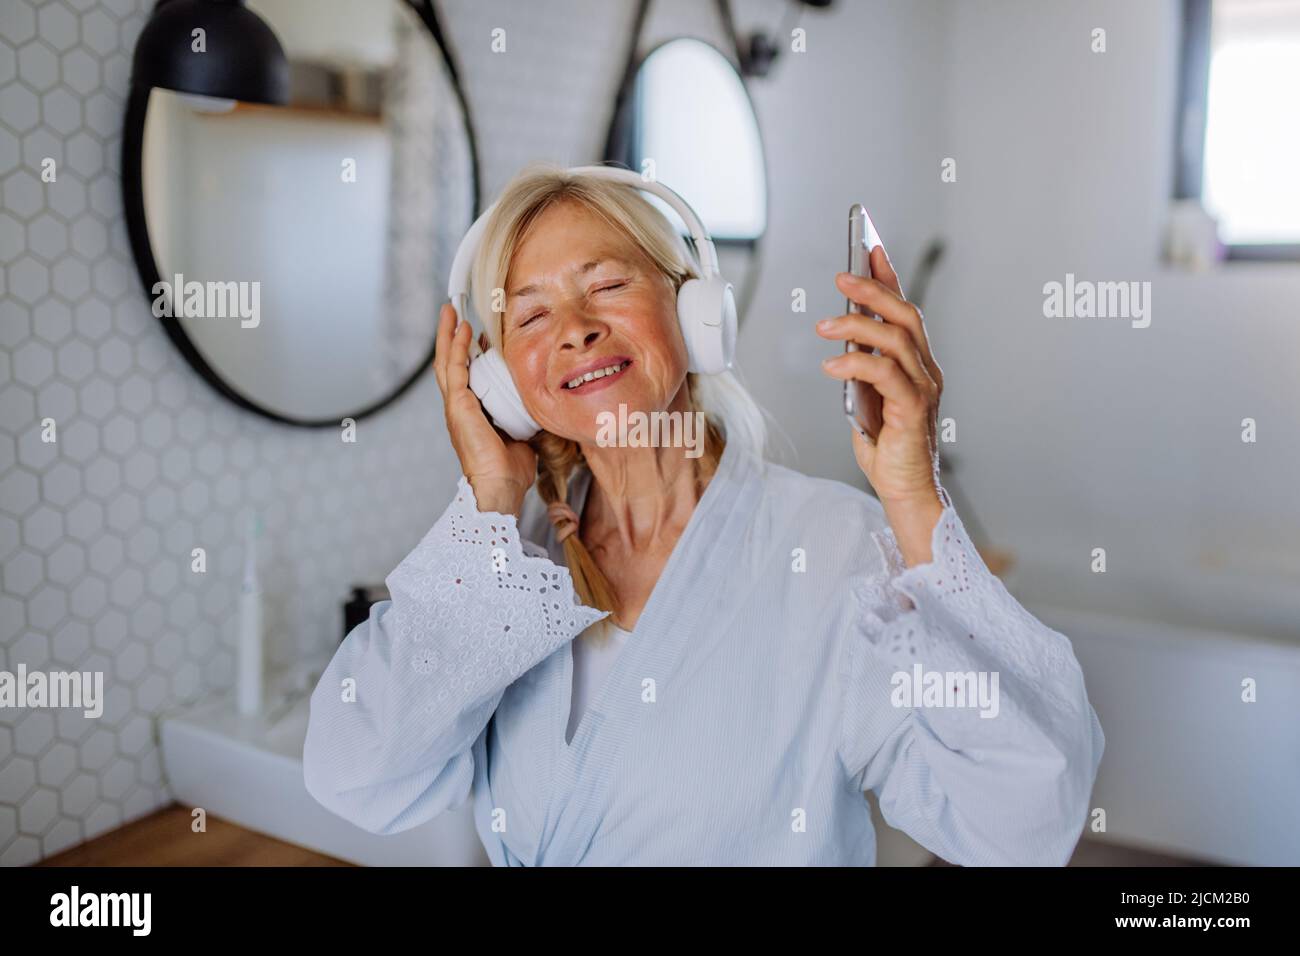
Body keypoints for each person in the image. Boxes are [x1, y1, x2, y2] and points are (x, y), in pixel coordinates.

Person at [302, 162, 1104, 865]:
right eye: (532, 314)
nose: (576, 330)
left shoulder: (831, 549)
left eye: (608, 285)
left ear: (696, 314)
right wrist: (487, 501)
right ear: (504, 383)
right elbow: (357, 776)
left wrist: (914, 499)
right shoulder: (508, 570)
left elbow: (1023, 824)